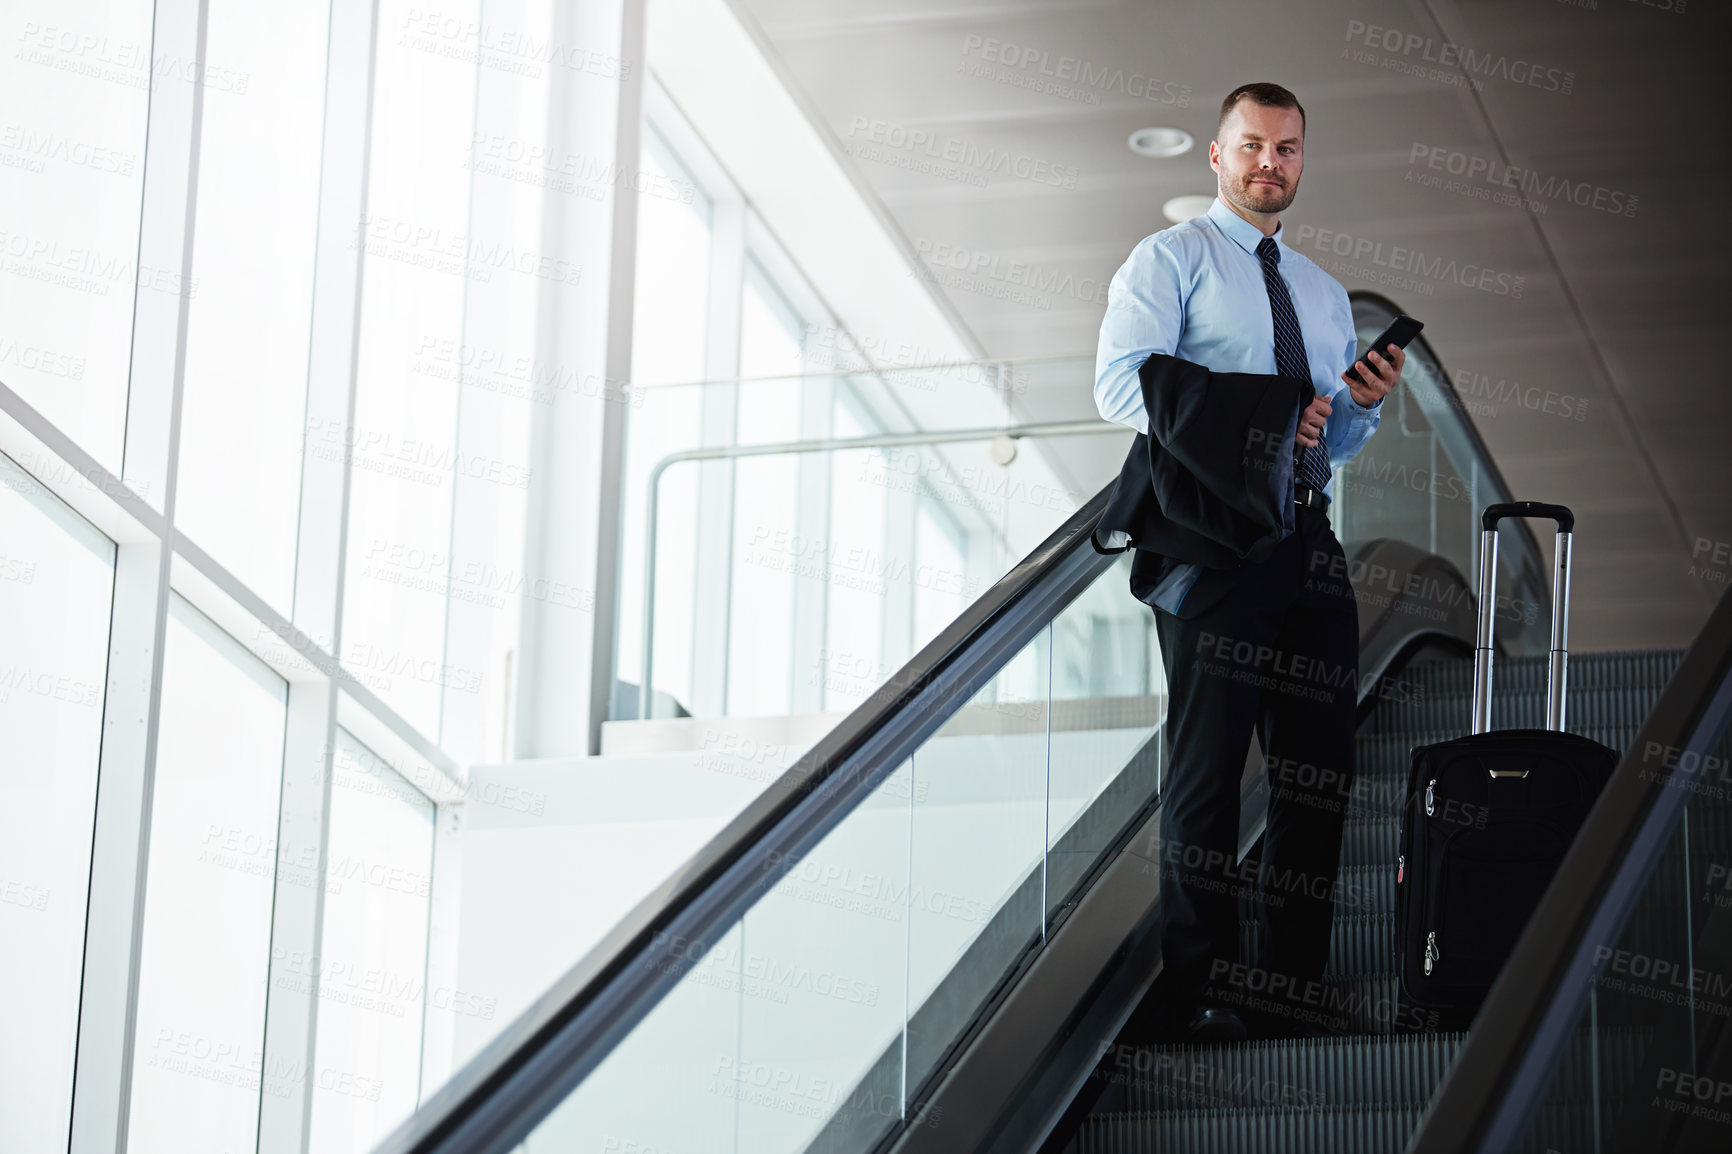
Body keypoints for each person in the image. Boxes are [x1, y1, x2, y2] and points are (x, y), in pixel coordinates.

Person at [1093, 82, 1405, 1041]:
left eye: (1289, 149)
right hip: (1213, 548)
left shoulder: (1318, 292)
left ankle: (1290, 988)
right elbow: (1119, 386)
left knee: (1319, 773)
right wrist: (1268, 415)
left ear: (1304, 161)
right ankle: (1204, 988)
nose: (1272, 163)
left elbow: (1330, 446)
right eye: (1254, 146)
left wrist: (1360, 403)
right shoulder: (1171, 259)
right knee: (1209, 773)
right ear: (1218, 158)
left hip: (1307, 542)